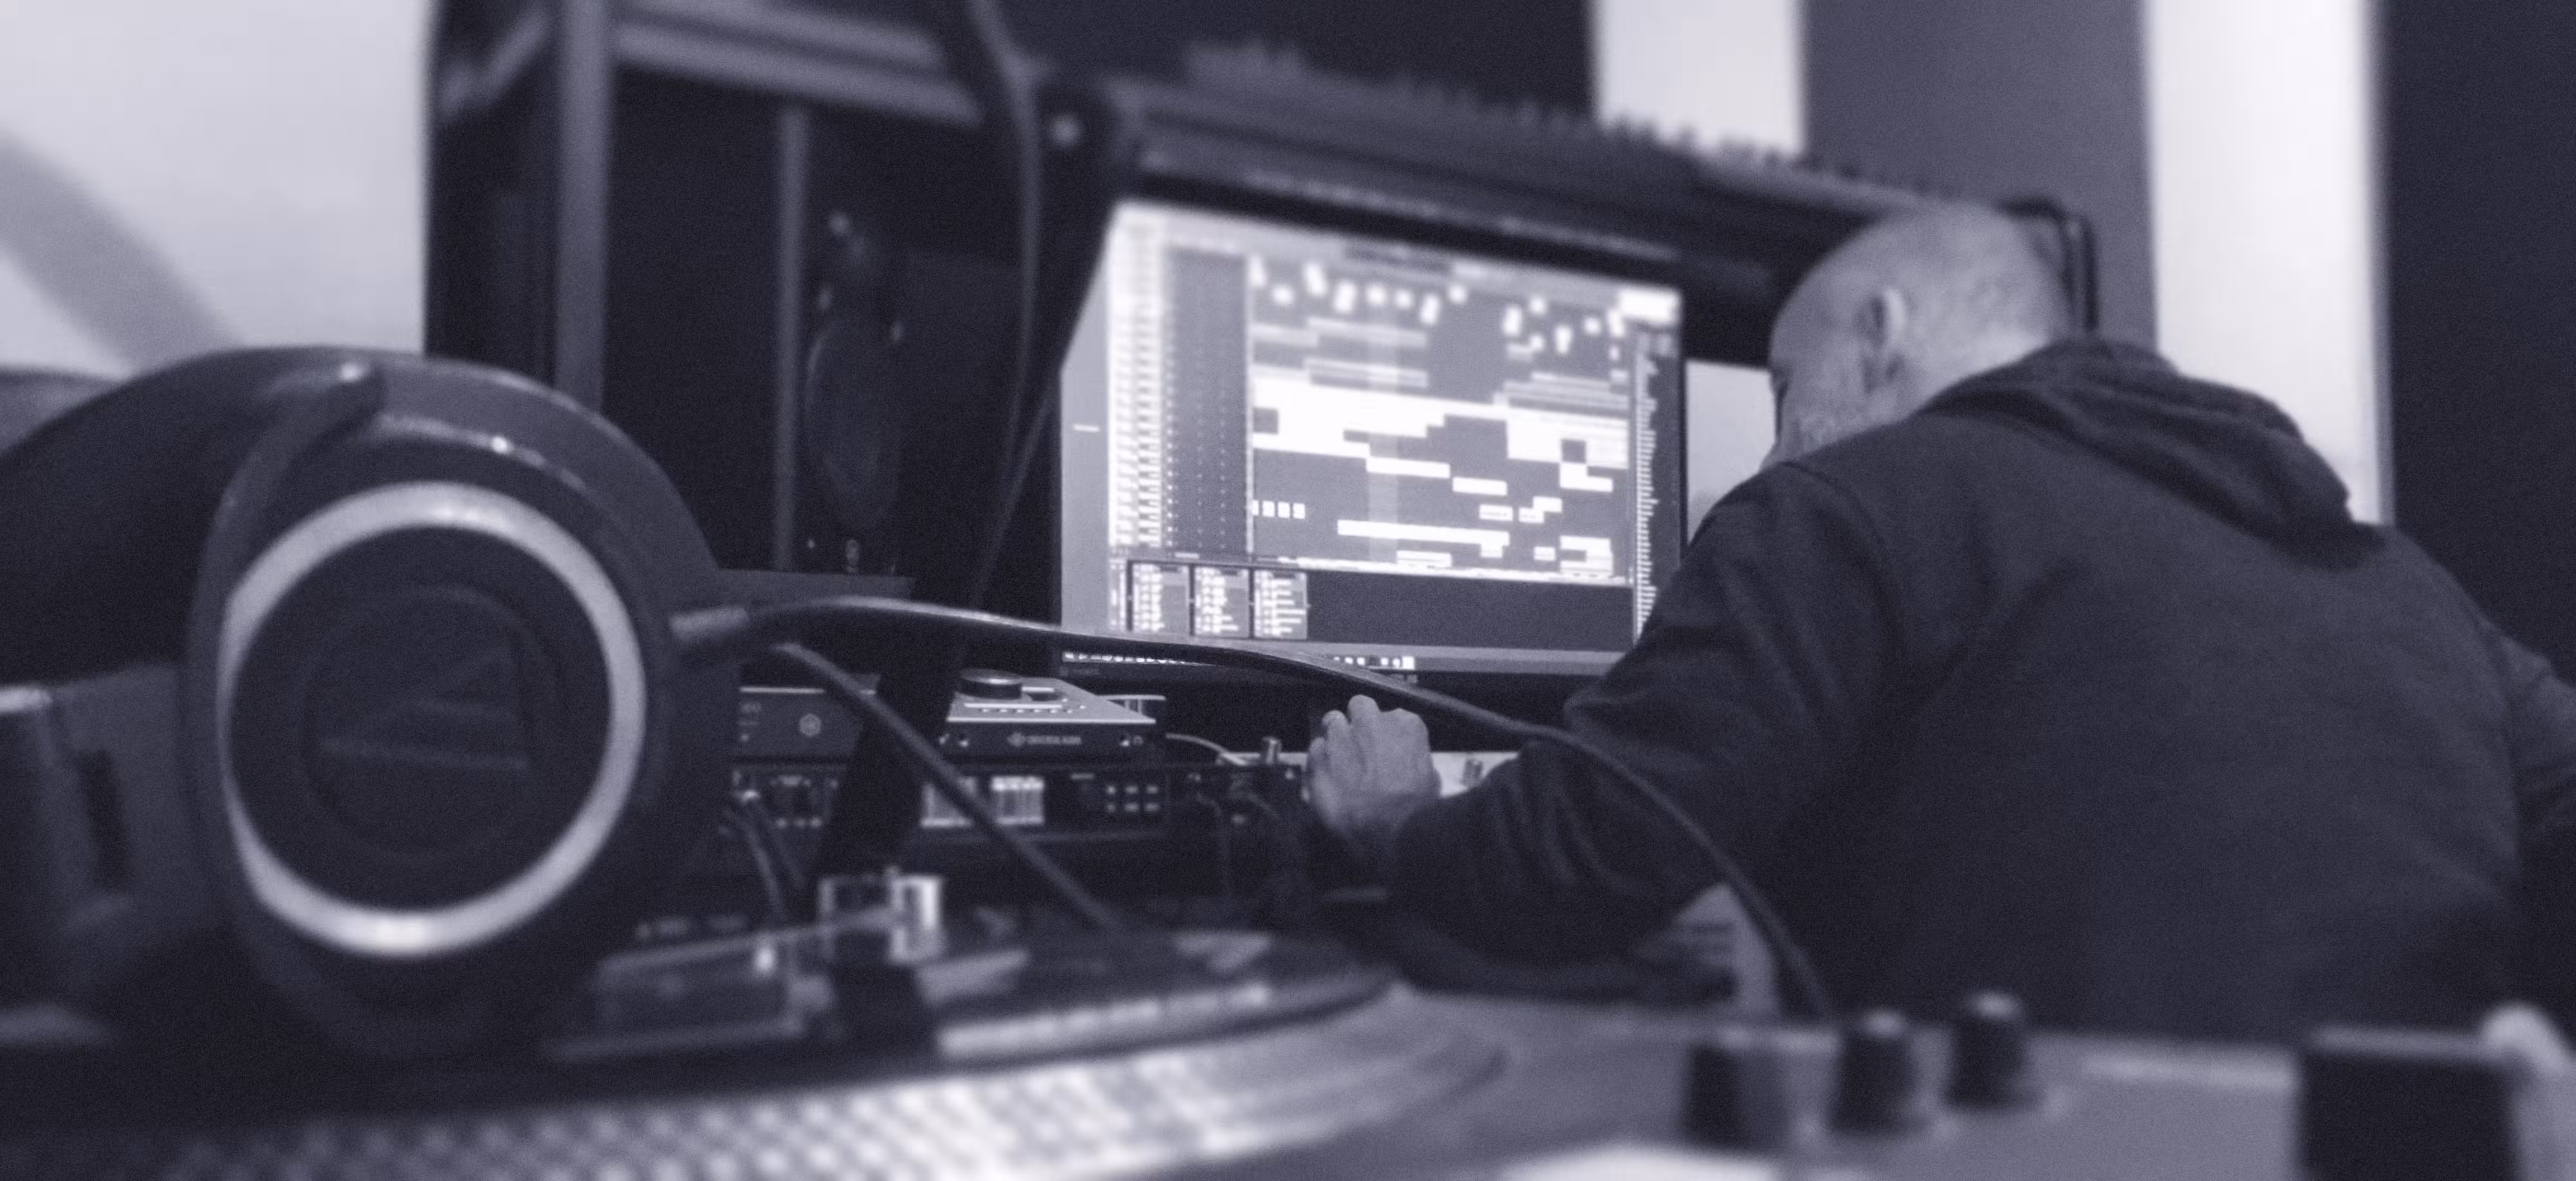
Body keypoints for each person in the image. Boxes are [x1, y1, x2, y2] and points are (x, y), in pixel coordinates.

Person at [1304, 204, 2576, 1042]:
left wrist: (1395, 822)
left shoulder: (1848, 510)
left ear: (1882, 333)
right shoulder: (2405, 580)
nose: (1782, 435)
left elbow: (1573, 869)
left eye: (1789, 386)